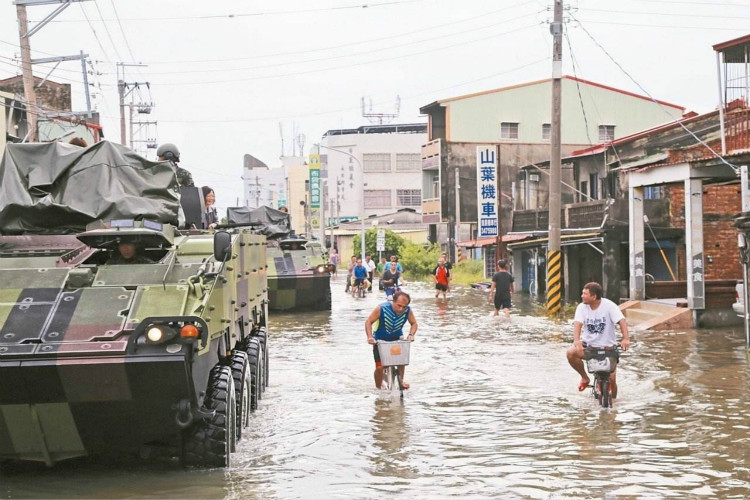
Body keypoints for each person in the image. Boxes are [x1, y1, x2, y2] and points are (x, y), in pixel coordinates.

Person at [566, 282, 631, 398]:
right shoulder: (581, 307)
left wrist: (625, 339)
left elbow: (622, 321)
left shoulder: (609, 306)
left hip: (608, 349)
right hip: (589, 347)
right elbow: (578, 324)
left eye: (585, 294)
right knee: (570, 353)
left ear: (594, 297)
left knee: (612, 380)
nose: (582, 296)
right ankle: (584, 377)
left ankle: (614, 403)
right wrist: (576, 340)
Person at [365, 290, 418, 389]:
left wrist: (411, 334)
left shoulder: (408, 311)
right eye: (399, 305)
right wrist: (370, 337)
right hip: (379, 341)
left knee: (401, 361)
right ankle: (378, 387)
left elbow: (414, 323)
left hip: (397, 339)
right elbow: (368, 321)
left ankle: (401, 381)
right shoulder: (381, 308)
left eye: (404, 306)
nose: (401, 309)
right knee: (380, 367)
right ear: (393, 301)